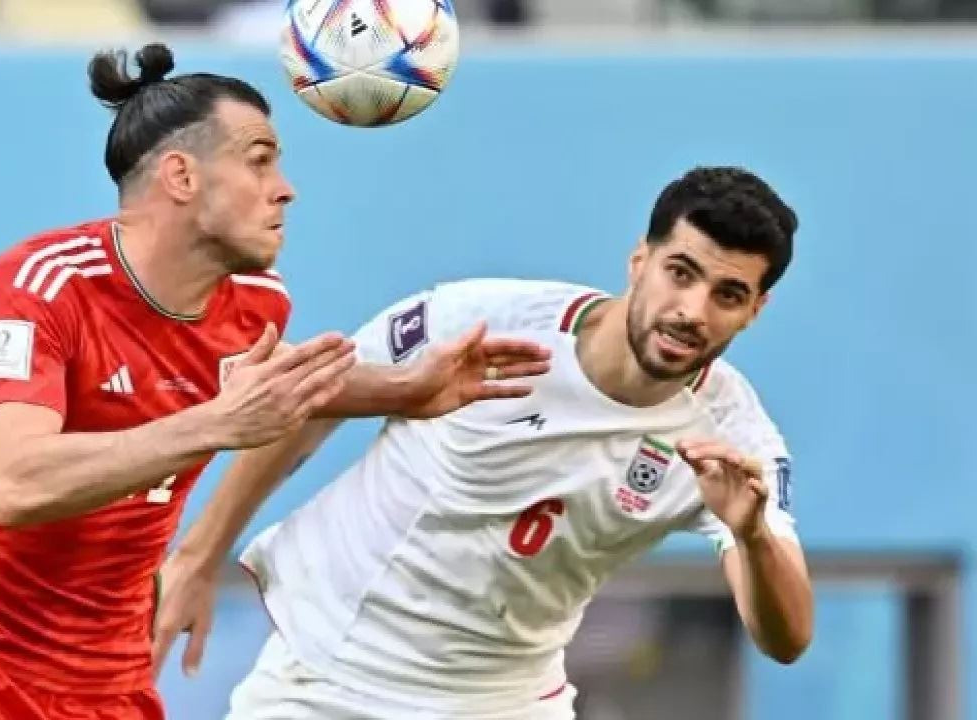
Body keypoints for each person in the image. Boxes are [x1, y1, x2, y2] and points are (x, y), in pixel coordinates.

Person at [0, 42, 550, 720]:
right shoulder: (39, 288)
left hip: (109, 688)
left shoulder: (257, 303)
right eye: (260, 161)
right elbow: (18, 483)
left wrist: (409, 389)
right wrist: (215, 423)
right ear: (182, 177)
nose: (286, 188)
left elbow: (260, 388)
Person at [155, 166, 815, 719]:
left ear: (754, 310)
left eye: (728, 295)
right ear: (639, 261)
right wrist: (197, 556)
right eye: (681, 273)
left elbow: (788, 639)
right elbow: (311, 401)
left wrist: (752, 534)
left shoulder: (734, 441)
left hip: (504, 701)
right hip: (333, 671)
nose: (693, 311)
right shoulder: (481, 319)